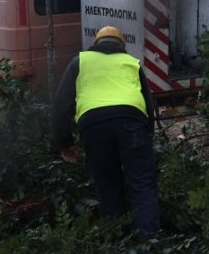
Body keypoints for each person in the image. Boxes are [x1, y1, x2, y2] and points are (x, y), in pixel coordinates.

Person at [52, 26, 160, 235]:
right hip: (132, 123)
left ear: (96, 44)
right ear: (122, 46)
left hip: (94, 126)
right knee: (142, 184)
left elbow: (60, 105)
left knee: (108, 184)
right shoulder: (131, 63)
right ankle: (149, 242)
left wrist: (64, 143)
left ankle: (116, 238)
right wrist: (147, 138)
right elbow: (149, 106)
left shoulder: (80, 62)